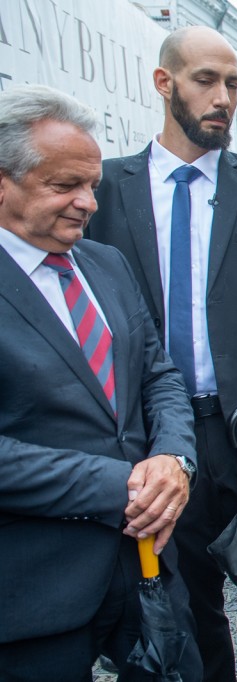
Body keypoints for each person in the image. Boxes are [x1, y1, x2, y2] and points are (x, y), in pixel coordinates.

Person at [88, 26, 237, 681]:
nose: (223, 97)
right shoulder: (107, 190)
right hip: (155, 444)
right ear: (164, 83)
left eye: (233, 85)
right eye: (205, 80)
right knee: (188, 619)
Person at [0, 84, 200, 680]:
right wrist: (124, 485)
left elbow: (158, 376)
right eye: (65, 185)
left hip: (146, 568)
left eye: (92, 185)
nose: (88, 203)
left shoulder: (104, 262)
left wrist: (174, 459)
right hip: (33, 591)